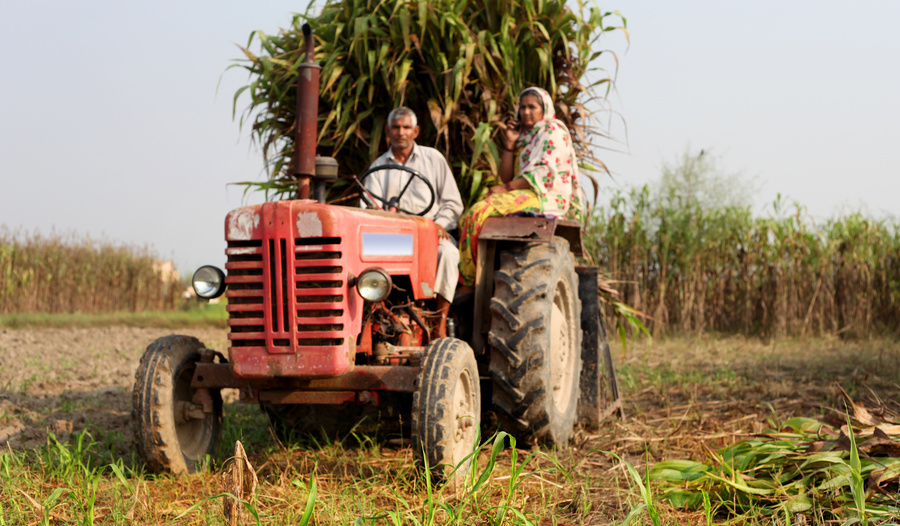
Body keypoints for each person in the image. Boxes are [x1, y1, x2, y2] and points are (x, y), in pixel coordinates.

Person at [457, 87, 584, 286]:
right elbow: (506, 176)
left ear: (545, 109)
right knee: (468, 216)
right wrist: (510, 144)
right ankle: (472, 275)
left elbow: (543, 174)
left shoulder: (552, 131)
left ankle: (469, 282)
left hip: (546, 196)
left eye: (532, 107)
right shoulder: (527, 137)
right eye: (522, 107)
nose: (526, 112)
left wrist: (506, 188)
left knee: (479, 212)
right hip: (526, 193)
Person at [362, 106, 464, 338]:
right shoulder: (378, 168)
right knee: (361, 263)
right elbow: (369, 209)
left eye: (406, 127)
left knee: (448, 254)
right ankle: (371, 324)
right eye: (396, 127)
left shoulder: (433, 159)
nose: (401, 132)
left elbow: (453, 203)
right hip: (391, 239)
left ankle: (438, 323)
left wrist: (438, 225)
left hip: (428, 235)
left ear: (416, 131)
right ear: (388, 131)